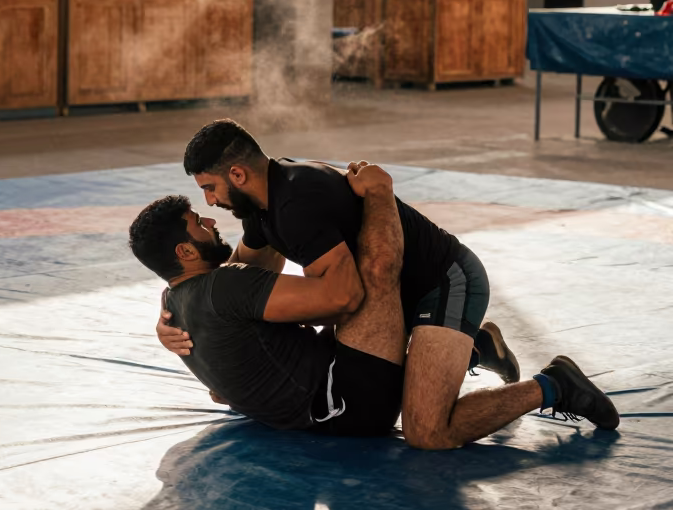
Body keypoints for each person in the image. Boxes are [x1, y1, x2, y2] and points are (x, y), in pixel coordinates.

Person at [154, 122, 619, 446]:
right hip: (387, 298)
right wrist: (179, 316)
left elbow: (368, 281)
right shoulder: (261, 207)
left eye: (209, 188)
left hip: (441, 282)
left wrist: (379, 192)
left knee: (429, 433)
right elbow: (238, 281)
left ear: (238, 174)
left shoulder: (298, 200)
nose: (210, 201)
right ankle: (473, 346)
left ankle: (555, 384)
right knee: (348, 306)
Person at [130, 162, 407, 435]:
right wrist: (375, 197)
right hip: (352, 407)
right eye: (200, 223)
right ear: (186, 252)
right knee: (374, 277)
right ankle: (379, 188)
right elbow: (343, 304)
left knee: (273, 236)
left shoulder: (171, 301)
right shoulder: (226, 285)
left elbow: (264, 243)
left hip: (309, 405)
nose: (212, 221)